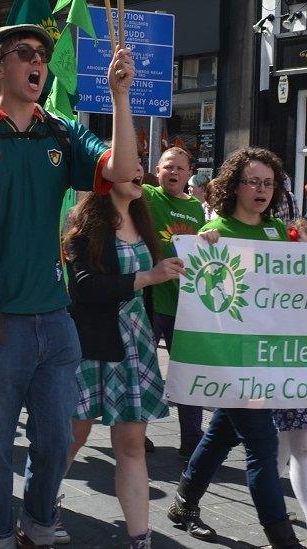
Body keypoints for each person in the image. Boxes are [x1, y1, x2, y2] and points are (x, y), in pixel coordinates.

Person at [0, 24, 139, 548]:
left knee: (55, 440)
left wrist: (119, 97)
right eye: (25, 53)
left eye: (42, 55)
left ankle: (39, 520)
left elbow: (126, 170)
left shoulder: (61, 132)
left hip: (56, 320)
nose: (38, 63)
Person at [169, 147, 303, 549]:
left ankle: (183, 503)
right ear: (234, 186)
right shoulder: (218, 232)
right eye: (253, 182)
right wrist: (202, 247)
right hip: (230, 360)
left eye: (268, 183)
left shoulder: (277, 233)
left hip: (264, 361)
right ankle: (283, 540)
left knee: (220, 434)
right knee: (261, 445)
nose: (262, 190)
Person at [62, 164, 181, 548]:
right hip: (91, 341)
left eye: (139, 169)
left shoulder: (143, 217)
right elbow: (83, 287)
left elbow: (177, 253)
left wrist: (209, 241)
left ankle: (139, 537)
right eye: (129, 168)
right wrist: (147, 277)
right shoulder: (85, 223)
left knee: (130, 445)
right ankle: (41, 507)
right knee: (72, 436)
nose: (139, 174)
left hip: (135, 340)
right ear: (105, 177)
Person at [141, 147, 206, 461]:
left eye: (180, 168)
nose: (174, 172)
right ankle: (135, 434)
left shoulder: (196, 208)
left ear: (188, 173)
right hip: (151, 301)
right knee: (141, 370)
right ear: (158, 169)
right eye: (168, 166)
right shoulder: (149, 196)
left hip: (186, 306)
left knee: (188, 375)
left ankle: (192, 440)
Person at [277, 217, 307, 524]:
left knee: (285, 442)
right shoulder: (285, 255)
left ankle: (268, 500)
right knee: (299, 444)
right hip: (286, 366)